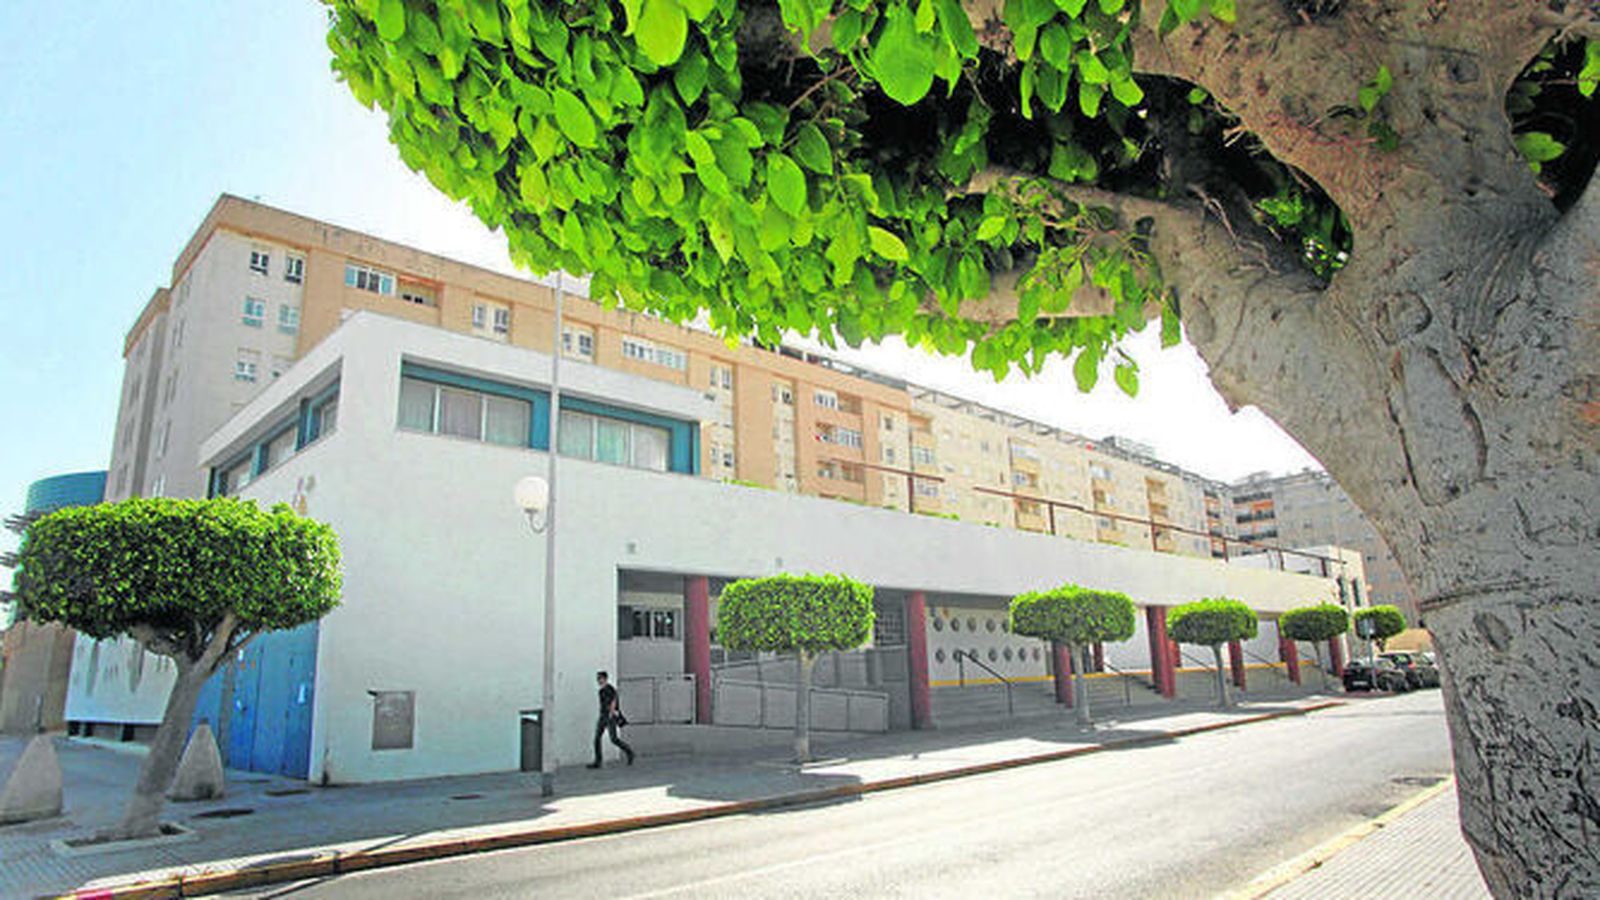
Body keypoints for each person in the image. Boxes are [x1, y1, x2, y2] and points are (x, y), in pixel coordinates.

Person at [589, 670, 634, 769]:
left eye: (600, 678)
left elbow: (614, 701)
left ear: (605, 679)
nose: (598, 680)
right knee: (597, 738)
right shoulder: (601, 691)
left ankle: (629, 752)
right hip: (603, 715)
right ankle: (598, 761)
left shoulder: (610, 689)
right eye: (597, 679)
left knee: (613, 739)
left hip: (610, 716)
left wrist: (611, 713)